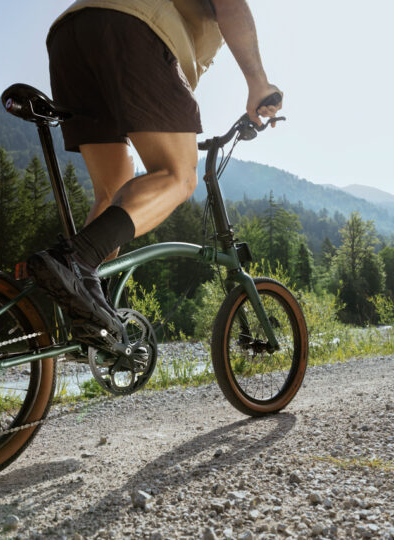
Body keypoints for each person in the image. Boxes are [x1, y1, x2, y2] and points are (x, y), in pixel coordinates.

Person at [27, 0, 283, 337]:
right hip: (133, 24)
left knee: (112, 192)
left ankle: (86, 315)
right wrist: (258, 83)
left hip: (71, 34)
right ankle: (76, 259)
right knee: (179, 176)